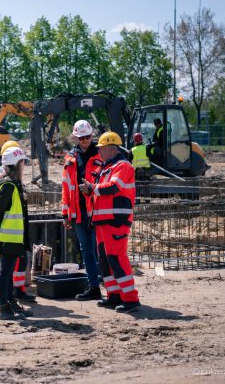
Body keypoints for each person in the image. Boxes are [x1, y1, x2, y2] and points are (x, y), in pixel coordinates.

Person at [80, 131, 140, 313]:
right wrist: (89, 190)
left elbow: (113, 187)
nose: (98, 152)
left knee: (117, 258)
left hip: (116, 220)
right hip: (103, 220)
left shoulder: (123, 166)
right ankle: (114, 295)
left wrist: (93, 188)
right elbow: (100, 191)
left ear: (112, 149)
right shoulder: (105, 167)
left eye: (101, 149)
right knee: (105, 260)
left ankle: (130, 299)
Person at [0, 141, 35, 305]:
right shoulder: (3, 181)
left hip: (12, 232)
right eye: (22, 162)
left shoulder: (14, 181)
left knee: (12, 266)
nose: (24, 165)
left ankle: (14, 295)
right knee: (2, 268)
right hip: (5, 232)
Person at [61, 120, 103, 301]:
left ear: (92, 136)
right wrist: (65, 213)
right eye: (81, 138)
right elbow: (66, 187)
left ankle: (112, 288)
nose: (85, 140)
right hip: (78, 212)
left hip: (97, 212)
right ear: (76, 138)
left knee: (101, 251)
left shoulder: (102, 155)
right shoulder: (70, 158)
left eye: (87, 137)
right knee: (86, 251)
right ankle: (93, 286)